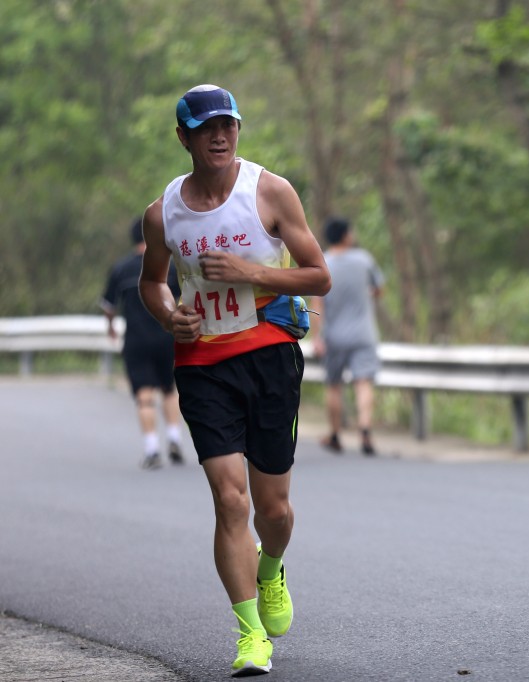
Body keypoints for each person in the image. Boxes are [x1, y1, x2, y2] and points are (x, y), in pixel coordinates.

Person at [138, 84, 331, 677]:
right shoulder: (162, 212)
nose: (220, 137)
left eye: (229, 126)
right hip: (202, 365)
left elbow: (319, 276)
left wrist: (251, 271)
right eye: (206, 128)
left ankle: (271, 567)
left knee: (273, 510)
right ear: (184, 137)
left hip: (270, 356)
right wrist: (171, 314)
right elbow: (152, 283)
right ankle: (250, 636)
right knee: (229, 500)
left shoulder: (268, 192)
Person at [101, 217, 184, 470]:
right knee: (169, 389)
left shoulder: (121, 268)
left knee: (144, 395)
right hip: (167, 337)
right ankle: (174, 439)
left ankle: (151, 449)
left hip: (136, 340)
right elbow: (183, 299)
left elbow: (109, 306)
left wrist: (111, 327)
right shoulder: (169, 267)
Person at [311, 217, 385, 456]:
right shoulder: (364, 259)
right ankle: (364, 428)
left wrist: (317, 337)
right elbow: (379, 290)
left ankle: (335, 434)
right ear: (346, 236)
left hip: (334, 337)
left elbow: (317, 303)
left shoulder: (323, 262)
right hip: (364, 334)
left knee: (333, 386)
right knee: (363, 382)